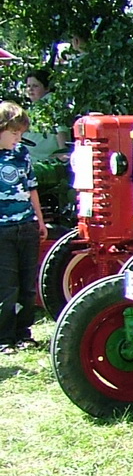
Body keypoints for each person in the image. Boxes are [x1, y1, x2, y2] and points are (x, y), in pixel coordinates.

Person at [0, 102, 45, 350]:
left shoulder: (21, 155)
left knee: (28, 286)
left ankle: (23, 333)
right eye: (14, 133)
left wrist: (39, 219)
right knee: (7, 287)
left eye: (21, 133)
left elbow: (31, 188)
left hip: (26, 225)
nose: (18, 138)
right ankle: (4, 338)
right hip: (2, 230)